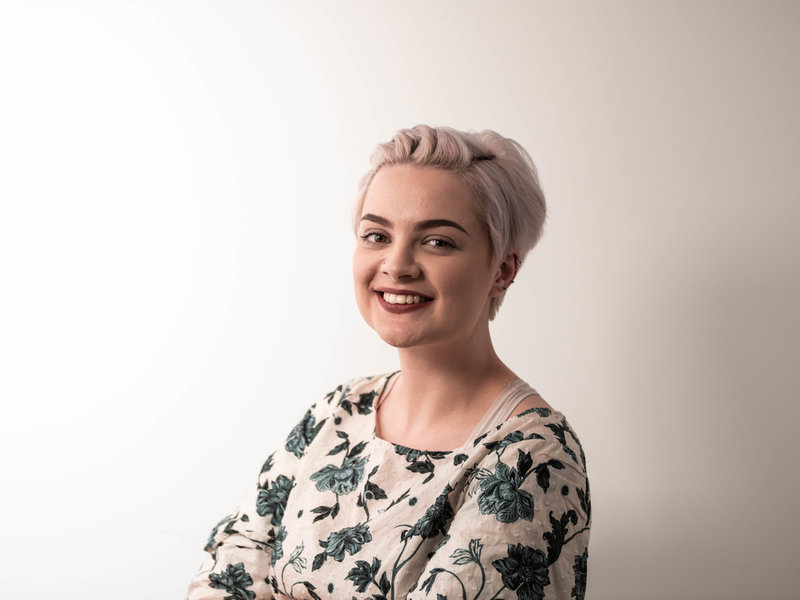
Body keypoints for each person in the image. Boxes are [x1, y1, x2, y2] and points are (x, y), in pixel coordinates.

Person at [186, 125, 590, 600]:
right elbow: (225, 571)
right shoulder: (338, 411)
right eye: (377, 235)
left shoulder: (532, 456)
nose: (396, 265)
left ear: (503, 269)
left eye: (437, 241)